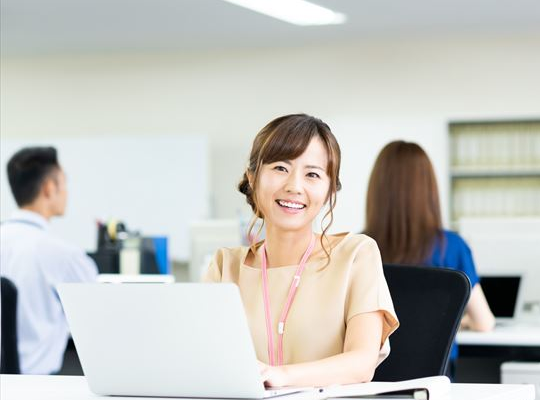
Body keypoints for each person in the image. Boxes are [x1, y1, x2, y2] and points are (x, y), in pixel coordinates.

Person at [203, 114, 398, 387]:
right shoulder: (225, 266)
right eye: (280, 168)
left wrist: (280, 376)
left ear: (329, 190)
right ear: (253, 178)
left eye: (312, 174)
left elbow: (361, 364)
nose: (294, 186)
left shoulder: (356, 255)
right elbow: (203, 360)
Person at [363, 140, 495, 370]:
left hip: (371, 377)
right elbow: (484, 323)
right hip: (433, 380)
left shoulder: (359, 248)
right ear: (428, 190)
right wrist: (452, 321)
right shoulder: (452, 247)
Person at [0, 147, 98, 374]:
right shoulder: (63, 255)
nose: (66, 192)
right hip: (40, 384)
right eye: (64, 183)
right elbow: (98, 319)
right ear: (49, 188)